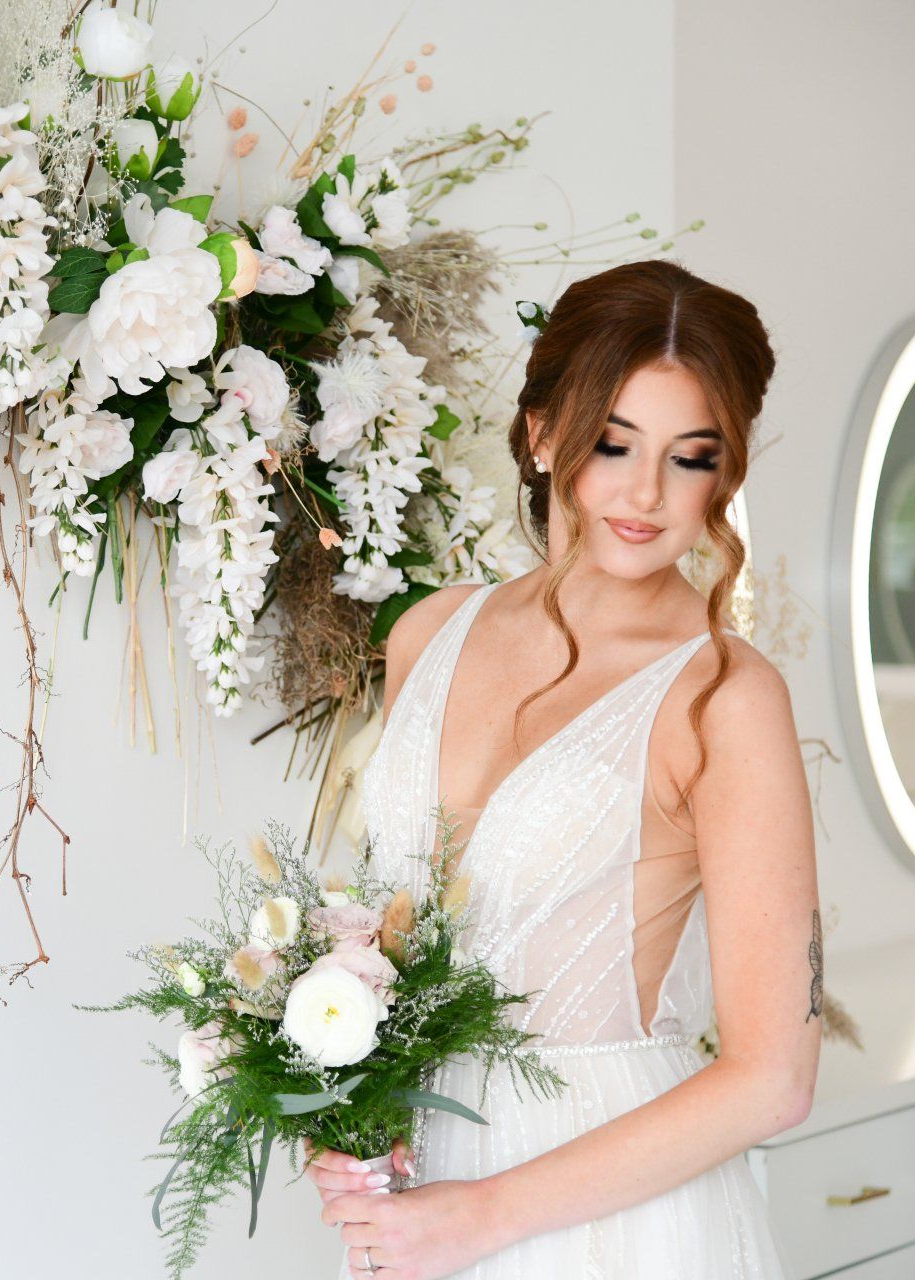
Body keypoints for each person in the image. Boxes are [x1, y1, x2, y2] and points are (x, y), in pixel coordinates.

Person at [306, 260, 819, 1278]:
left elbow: (775, 1080)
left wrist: (484, 1216)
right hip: (420, 1205)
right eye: (614, 443)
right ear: (542, 433)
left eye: (691, 458)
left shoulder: (725, 696)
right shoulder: (428, 633)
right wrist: (348, 1111)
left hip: (614, 1218)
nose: (646, 493)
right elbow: (389, 941)